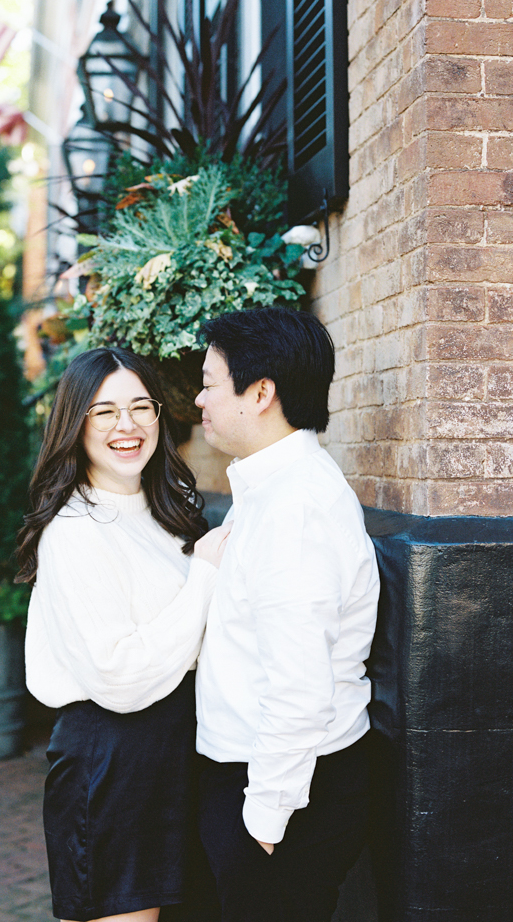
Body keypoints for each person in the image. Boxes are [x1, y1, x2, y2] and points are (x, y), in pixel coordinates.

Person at [16, 347, 228, 922]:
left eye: (141, 407)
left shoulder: (171, 509)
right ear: (73, 423)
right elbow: (119, 676)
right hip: (114, 755)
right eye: (104, 412)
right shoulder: (75, 529)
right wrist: (205, 577)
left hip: (182, 750)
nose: (127, 426)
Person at [193, 306, 380, 922]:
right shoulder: (268, 489)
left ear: (262, 392)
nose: (199, 399)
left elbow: (299, 689)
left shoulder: (293, 509)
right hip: (269, 779)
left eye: (211, 381)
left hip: (286, 794)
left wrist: (263, 819)